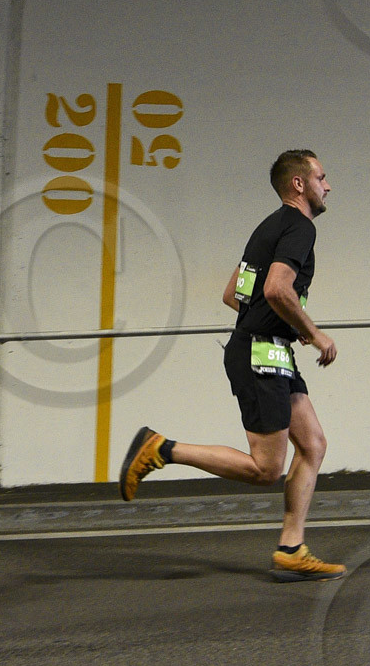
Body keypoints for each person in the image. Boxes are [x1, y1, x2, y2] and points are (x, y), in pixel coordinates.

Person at [118, 149, 346, 582]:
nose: (328, 186)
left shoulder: (268, 227)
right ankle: (162, 449)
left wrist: (286, 323)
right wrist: (314, 332)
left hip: (268, 350)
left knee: (313, 445)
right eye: (321, 177)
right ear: (299, 184)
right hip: (260, 354)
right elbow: (277, 290)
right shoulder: (300, 228)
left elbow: (233, 295)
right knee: (266, 469)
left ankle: (291, 548)